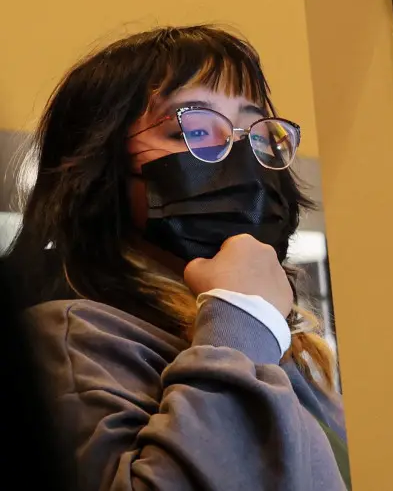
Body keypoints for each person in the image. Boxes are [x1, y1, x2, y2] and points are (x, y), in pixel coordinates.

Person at [6, 26, 350, 490]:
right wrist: (239, 317)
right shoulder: (70, 340)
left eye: (255, 132)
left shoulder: (299, 352)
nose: (239, 156)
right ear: (99, 166)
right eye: (194, 128)